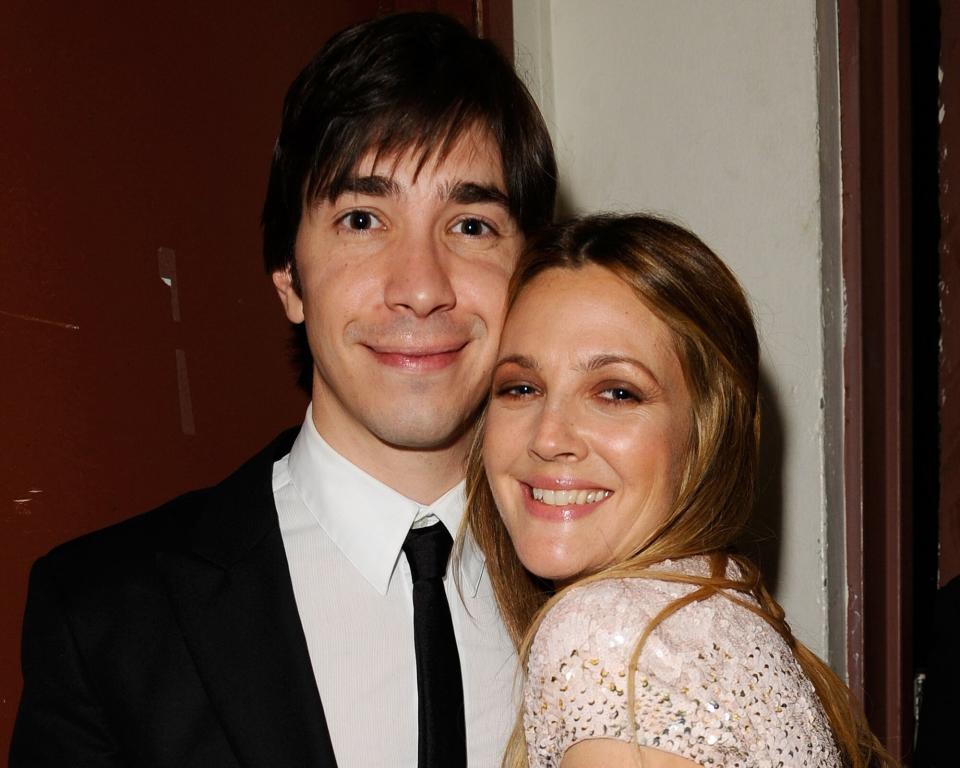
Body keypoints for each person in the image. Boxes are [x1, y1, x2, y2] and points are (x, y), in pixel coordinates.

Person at [11, 12, 556, 768]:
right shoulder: (107, 616)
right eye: (363, 219)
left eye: (470, 225)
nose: (422, 288)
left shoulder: (627, 592)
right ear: (289, 280)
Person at [464, 214, 893, 768]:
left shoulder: (613, 638)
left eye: (616, 393)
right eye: (521, 387)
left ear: (706, 433)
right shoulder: (719, 613)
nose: (548, 438)